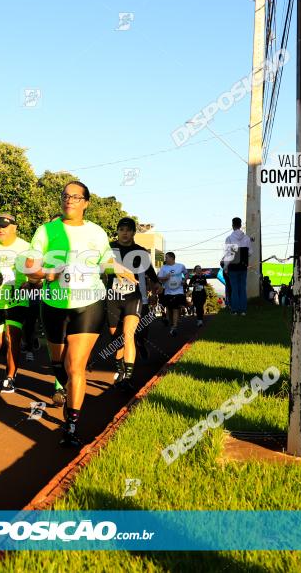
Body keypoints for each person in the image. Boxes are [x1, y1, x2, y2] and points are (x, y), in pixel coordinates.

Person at [25, 181, 136, 448]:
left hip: (89, 302)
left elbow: (104, 262)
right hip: (54, 304)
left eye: (76, 197)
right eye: (65, 196)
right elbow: (30, 268)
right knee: (58, 362)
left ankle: (71, 425)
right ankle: (64, 386)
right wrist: (49, 274)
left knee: (76, 365)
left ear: (86, 202)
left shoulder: (96, 232)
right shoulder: (46, 230)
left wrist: (118, 268)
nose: (70, 200)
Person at [106, 217, 159, 391]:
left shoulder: (140, 251)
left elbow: (150, 272)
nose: (125, 233)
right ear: (118, 232)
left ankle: (127, 378)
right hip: (113, 296)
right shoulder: (109, 248)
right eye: (121, 229)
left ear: (134, 233)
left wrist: (157, 284)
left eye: (128, 230)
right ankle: (120, 371)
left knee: (128, 334)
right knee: (117, 338)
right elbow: (98, 265)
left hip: (133, 296)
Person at [0, 213, 31, 394]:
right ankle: (11, 361)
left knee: (13, 338)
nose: (1, 229)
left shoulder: (26, 247)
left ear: (14, 227)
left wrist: (29, 283)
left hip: (17, 299)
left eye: (5, 226)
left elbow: (34, 271)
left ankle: (10, 377)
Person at [223, 217, 251, 316]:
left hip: (233, 267)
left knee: (234, 288)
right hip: (243, 266)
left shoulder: (229, 238)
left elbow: (228, 255)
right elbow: (250, 253)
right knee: (242, 288)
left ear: (232, 225)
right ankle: (243, 310)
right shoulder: (247, 238)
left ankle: (235, 310)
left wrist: (225, 267)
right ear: (240, 225)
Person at [158, 252, 187, 336]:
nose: (165, 259)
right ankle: (172, 324)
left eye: (166, 258)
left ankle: (174, 327)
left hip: (179, 291)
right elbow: (159, 278)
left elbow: (186, 273)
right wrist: (165, 277)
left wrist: (185, 280)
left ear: (172, 258)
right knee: (170, 310)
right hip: (168, 292)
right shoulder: (163, 267)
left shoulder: (181, 266)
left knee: (175, 309)